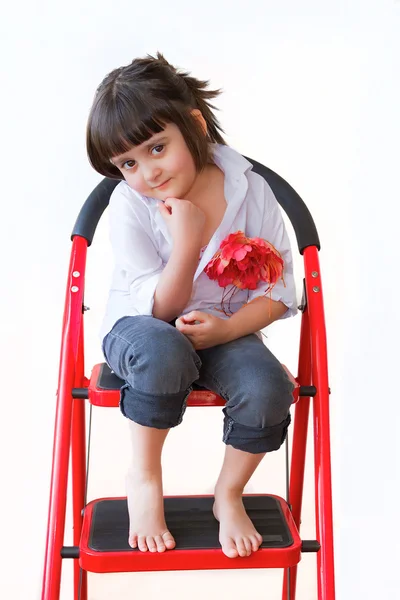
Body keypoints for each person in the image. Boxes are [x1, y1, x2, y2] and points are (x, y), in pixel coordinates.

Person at [86, 52, 297, 559]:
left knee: (269, 386)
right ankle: (144, 476)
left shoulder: (249, 188)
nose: (148, 172)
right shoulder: (129, 203)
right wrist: (187, 244)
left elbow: (282, 289)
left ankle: (227, 492)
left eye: (158, 148)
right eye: (128, 163)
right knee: (163, 350)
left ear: (194, 125)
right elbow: (156, 314)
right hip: (141, 329)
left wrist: (227, 331)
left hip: (225, 329)